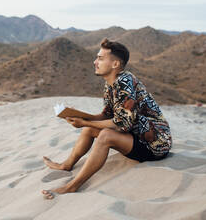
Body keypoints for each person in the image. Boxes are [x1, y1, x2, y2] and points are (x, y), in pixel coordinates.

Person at [42, 38, 172, 199]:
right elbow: (107, 115)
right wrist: (80, 116)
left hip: (155, 144)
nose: (95, 61)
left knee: (105, 135)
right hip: (134, 136)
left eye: (100, 58)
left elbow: (121, 123)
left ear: (115, 64)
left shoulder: (125, 82)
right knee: (90, 128)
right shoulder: (110, 84)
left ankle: (72, 186)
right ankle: (66, 165)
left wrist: (85, 122)